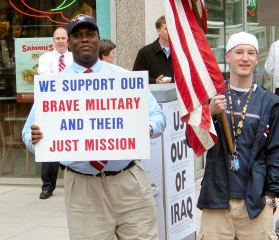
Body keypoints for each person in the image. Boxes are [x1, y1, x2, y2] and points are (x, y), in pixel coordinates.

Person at [22, 14, 165, 240]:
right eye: (77, 36)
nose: (84, 40)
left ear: (98, 39)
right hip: (82, 188)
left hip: (129, 182)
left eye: (90, 35)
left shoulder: (124, 79)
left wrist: (144, 128)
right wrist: (35, 139)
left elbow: (158, 116)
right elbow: (28, 134)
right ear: (68, 43)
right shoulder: (55, 87)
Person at [197, 32, 279, 240]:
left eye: (251, 53)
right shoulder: (212, 98)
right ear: (227, 57)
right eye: (238, 52)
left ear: (257, 59)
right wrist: (209, 115)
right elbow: (195, 144)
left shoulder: (270, 102)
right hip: (216, 202)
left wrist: (270, 195)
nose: (245, 58)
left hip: (256, 204)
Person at [37, 27, 73, 199]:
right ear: (53, 40)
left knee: (72, 146)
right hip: (52, 109)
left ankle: (74, 186)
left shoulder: (75, 58)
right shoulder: (45, 58)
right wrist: (65, 78)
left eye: (63, 38)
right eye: (57, 38)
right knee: (50, 146)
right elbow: (44, 79)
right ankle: (47, 187)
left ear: (68, 40)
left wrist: (56, 77)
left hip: (72, 108)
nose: (60, 41)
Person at [133, 15, 174, 84]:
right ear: (158, 31)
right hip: (153, 93)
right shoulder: (145, 52)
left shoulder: (181, 53)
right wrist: (154, 81)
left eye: (172, 28)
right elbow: (136, 78)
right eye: (166, 28)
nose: (170, 31)